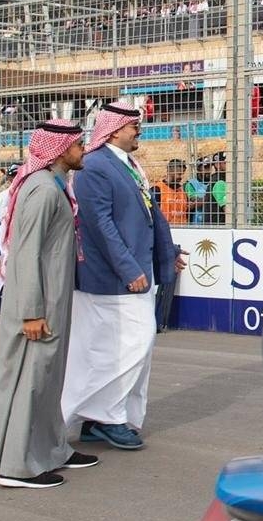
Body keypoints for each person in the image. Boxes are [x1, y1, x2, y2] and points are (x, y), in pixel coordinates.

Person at [0, 121, 98, 489]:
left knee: (49, 379)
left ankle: (52, 449)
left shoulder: (54, 185)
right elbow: (25, 254)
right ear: (60, 149)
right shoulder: (42, 191)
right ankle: (16, 466)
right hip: (38, 306)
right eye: (78, 145)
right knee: (31, 381)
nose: (83, 150)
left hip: (52, 300)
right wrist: (32, 311)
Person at [61, 104, 181, 451]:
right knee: (130, 345)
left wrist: (168, 254)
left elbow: (146, 216)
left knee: (124, 349)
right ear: (114, 130)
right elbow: (100, 225)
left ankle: (102, 418)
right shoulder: (95, 166)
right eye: (133, 125)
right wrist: (130, 270)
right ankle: (105, 417)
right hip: (111, 279)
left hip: (134, 273)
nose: (139, 130)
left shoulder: (126, 165)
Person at [151, 158, 190, 333]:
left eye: (182, 173)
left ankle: (162, 320)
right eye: (177, 172)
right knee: (160, 282)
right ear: (169, 171)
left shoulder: (182, 191)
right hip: (163, 240)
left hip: (181, 235)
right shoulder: (157, 190)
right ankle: (155, 320)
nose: (180, 176)